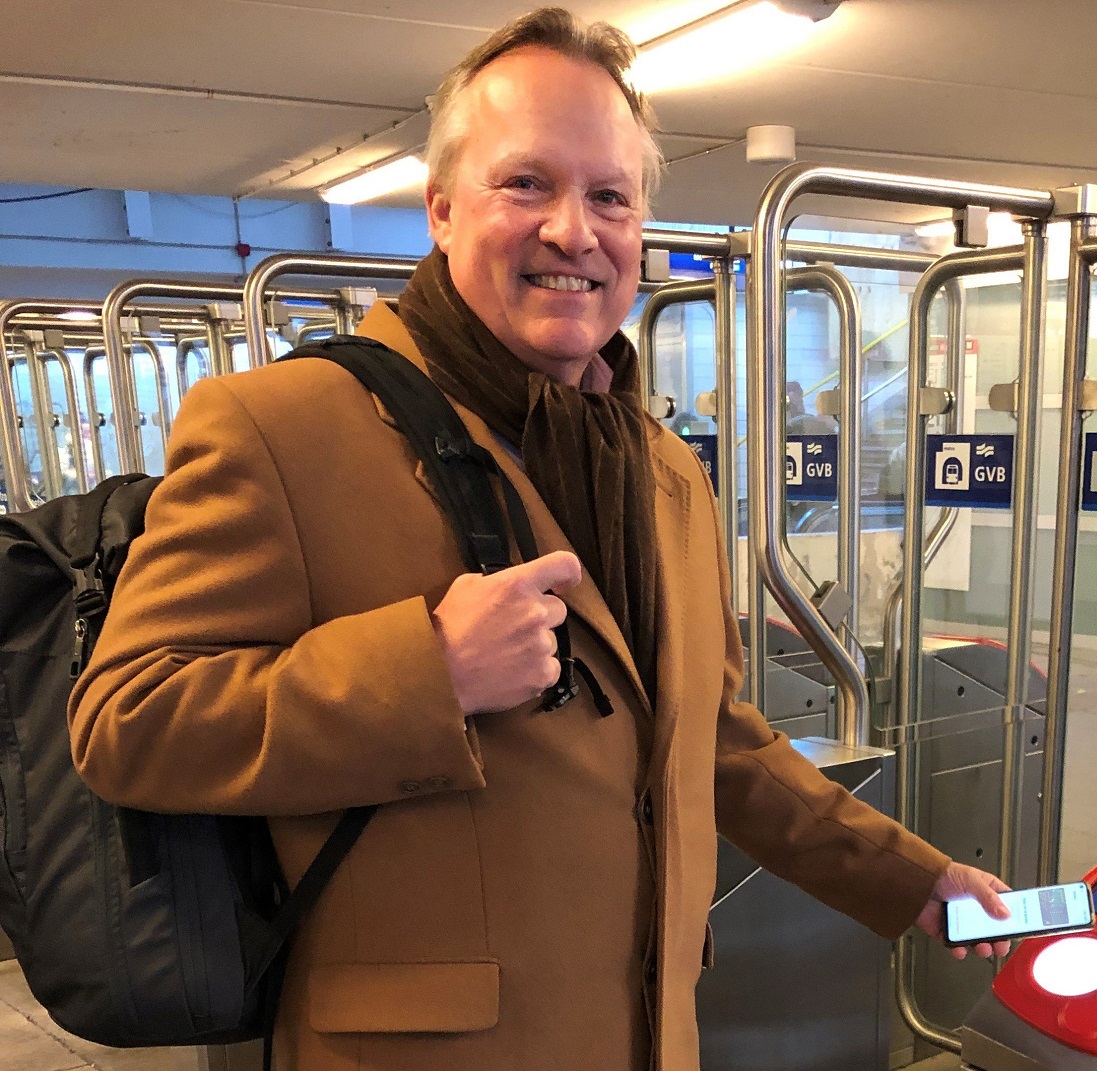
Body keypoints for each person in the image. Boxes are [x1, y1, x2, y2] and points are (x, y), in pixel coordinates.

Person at [69, 9, 1010, 1070]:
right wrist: (423, 672)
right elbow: (126, 721)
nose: (575, 230)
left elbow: (712, 742)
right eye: (527, 184)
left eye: (611, 196)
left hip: (644, 1038)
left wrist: (913, 879)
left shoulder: (662, 473)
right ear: (440, 209)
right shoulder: (283, 428)